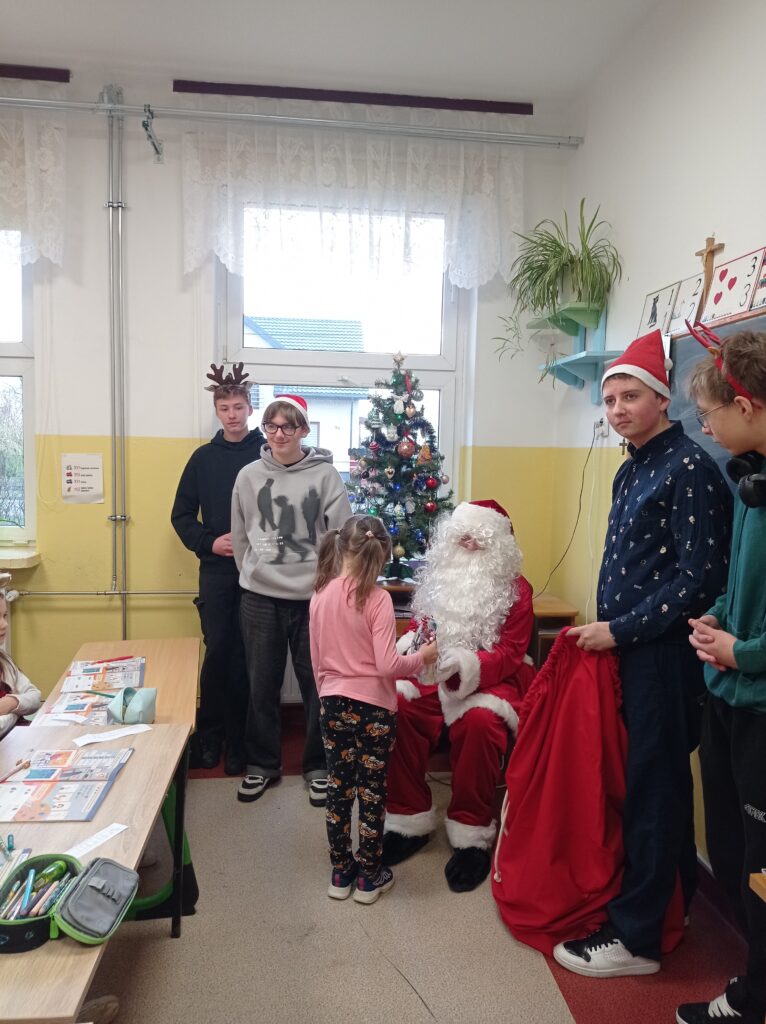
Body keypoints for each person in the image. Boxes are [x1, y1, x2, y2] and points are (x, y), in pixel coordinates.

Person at [553, 329, 732, 978]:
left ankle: (636, 940)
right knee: (656, 787)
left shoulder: (689, 469)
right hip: (633, 650)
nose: (618, 409)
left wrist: (620, 630)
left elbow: (699, 580)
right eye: (610, 400)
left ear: (662, 399)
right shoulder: (634, 466)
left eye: (631, 396)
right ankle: (670, 908)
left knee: (654, 790)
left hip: (662, 656)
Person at [675, 326, 766, 1024]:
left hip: (760, 706)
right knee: (734, 856)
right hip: (728, 698)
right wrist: (717, 619)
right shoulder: (747, 482)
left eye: (709, 413)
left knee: (762, 865)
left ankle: (755, 998)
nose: (703, 427)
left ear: (747, 405)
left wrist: (744, 653)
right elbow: (743, 585)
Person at [382, 498, 536, 893]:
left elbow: (511, 652)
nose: (467, 543)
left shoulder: (517, 590)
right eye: (461, 536)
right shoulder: (439, 578)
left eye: (477, 537)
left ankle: (471, 834)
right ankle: (407, 820)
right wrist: (411, 652)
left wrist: (467, 664)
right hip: (433, 673)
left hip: (491, 677)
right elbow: (417, 630)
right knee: (397, 706)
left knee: (481, 722)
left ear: (498, 545)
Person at [231, 394, 352, 806]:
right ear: (264, 429)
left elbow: (341, 535)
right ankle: (262, 764)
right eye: (271, 426)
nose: (279, 434)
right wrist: (253, 573)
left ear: (303, 430)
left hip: (313, 598)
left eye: (287, 426)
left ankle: (318, 766)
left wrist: (328, 586)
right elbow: (240, 534)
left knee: (317, 684)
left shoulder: (325, 475)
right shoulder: (248, 475)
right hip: (259, 597)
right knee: (260, 683)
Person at [310, 515, 438, 903]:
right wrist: (422, 657)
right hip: (374, 711)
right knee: (371, 791)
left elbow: (316, 660)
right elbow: (387, 665)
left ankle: (340, 872)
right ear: (382, 554)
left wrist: (326, 695)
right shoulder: (378, 599)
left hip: (332, 703)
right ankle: (369, 876)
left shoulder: (319, 593)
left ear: (341, 546)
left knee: (338, 788)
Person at [171, 363, 265, 775]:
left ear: (250, 409)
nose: (232, 414)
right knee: (219, 651)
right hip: (217, 571)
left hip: (260, 572)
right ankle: (210, 736)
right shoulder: (203, 459)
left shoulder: (266, 454)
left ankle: (243, 741)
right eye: (225, 408)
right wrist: (209, 542)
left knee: (251, 657)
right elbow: (181, 516)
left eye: (238, 407)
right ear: (216, 411)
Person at [0, 591, 41, 740]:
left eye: (4, 616)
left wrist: (11, 702)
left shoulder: (4, 660)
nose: (5, 624)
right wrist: (16, 712)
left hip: (18, 737)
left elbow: (35, 696)